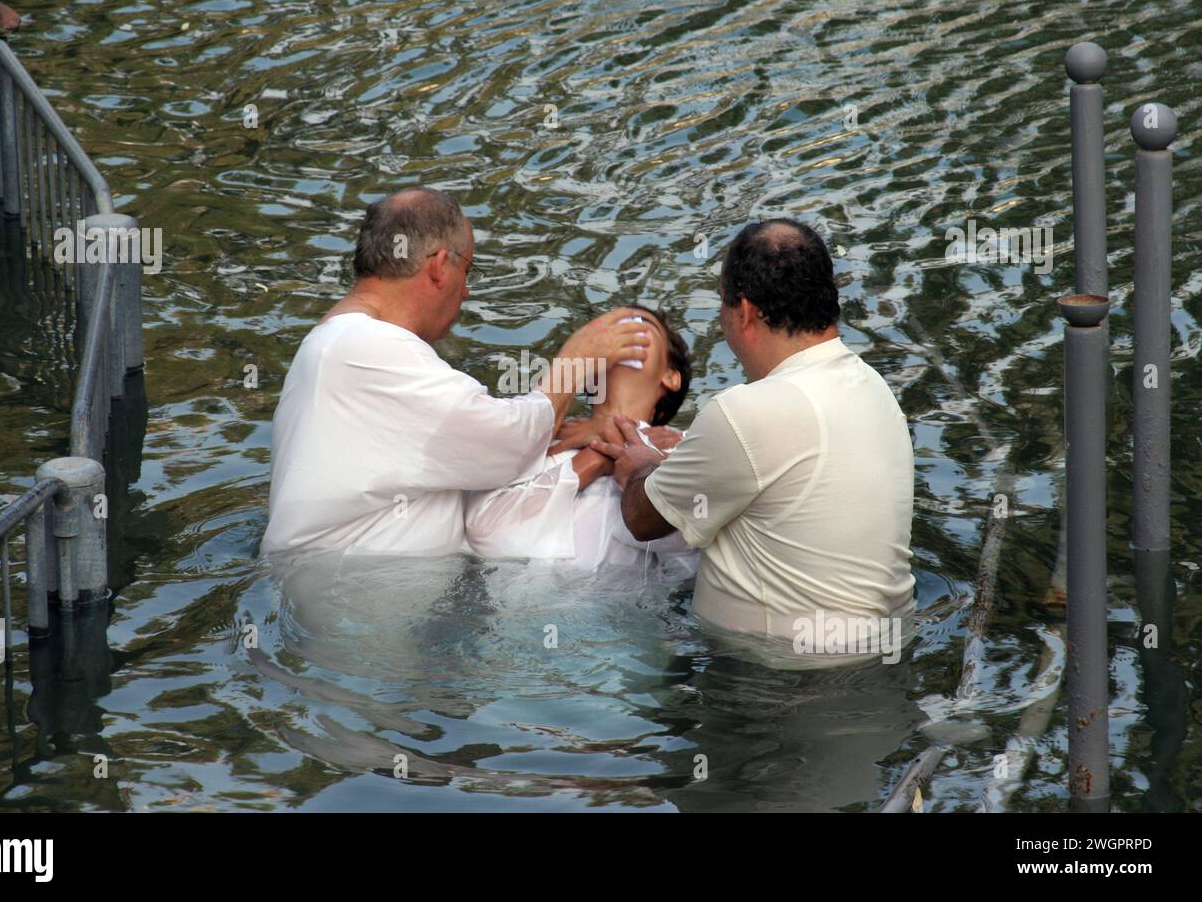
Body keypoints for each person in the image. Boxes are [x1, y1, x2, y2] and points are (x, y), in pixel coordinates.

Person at [261, 186, 651, 556]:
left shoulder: (340, 343)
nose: (466, 291)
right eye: (468, 270)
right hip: (351, 603)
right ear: (439, 267)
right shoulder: (365, 348)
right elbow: (507, 445)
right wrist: (574, 365)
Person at [590, 220, 916, 648]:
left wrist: (643, 465)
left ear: (743, 311)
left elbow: (642, 518)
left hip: (774, 679)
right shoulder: (874, 388)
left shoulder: (747, 411)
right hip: (882, 650)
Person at [465, 305, 697, 575]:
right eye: (606, 327)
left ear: (671, 376)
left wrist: (636, 451)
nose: (618, 330)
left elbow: (691, 547)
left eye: (640, 322)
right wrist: (595, 458)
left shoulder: (687, 447)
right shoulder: (541, 441)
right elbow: (487, 534)